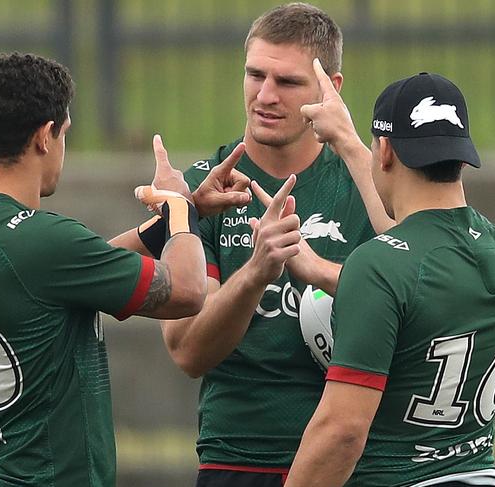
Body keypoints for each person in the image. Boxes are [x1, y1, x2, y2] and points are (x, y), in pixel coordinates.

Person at [0, 52, 250, 487]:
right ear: (44, 137)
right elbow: (188, 291)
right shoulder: (43, 242)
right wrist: (180, 208)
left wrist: (172, 224)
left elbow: (67, 274)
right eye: (65, 135)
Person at [160, 4, 393, 486]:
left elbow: (419, 284)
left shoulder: (364, 189)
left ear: (332, 88)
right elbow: (186, 350)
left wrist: (351, 146)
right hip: (237, 459)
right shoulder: (203, 192)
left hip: (346, 461)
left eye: (286, 82)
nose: (265, 96)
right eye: (254, 75)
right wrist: (255, 272)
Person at [284, 64, 495, 486]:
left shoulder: (379, 266)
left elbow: (341, 432)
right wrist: (346, 140)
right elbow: (423, 254)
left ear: (384, 152)